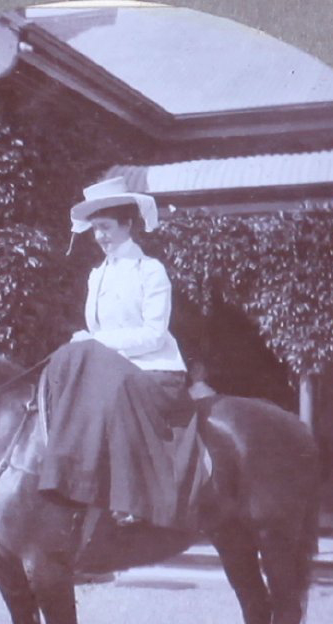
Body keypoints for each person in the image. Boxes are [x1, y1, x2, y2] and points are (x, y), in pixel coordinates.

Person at [37, 177, 207, 530]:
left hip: (155, 372)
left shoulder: (150, 270)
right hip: (112, 370)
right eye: (95, 229)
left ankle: (133, 501)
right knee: (65, 366)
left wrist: (97, 342)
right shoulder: (97, 275)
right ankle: (69, 482)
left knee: (112, 389)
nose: (100, 236)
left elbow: (154, 335)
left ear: (127, 225)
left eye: (106, 227)